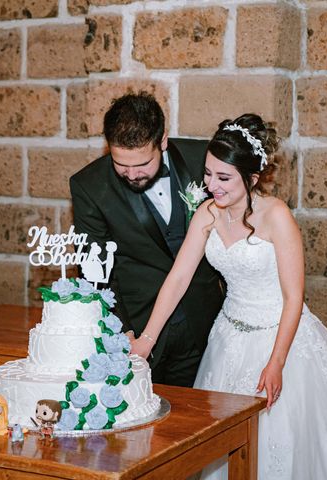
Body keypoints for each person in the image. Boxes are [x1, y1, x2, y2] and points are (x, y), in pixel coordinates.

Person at [130, 113, 327, 479]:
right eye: (207, 174)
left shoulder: (277, 216)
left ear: (251, 178)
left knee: (284, 443)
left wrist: (276, 362)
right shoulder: (206, 214)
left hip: (281, 338)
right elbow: (178, 278)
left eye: (223, 178)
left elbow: (294, 295)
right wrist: (146, 340)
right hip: (229, 337)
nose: (211, 186)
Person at [70, 92, 224, 387]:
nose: (131, 174)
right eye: (121, 164)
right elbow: (97, 270)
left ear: (162, 141)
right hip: (139, 332)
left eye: (141, 164)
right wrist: (123, 331)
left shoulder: (202, 159)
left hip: (205, 324)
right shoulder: (89, 186)